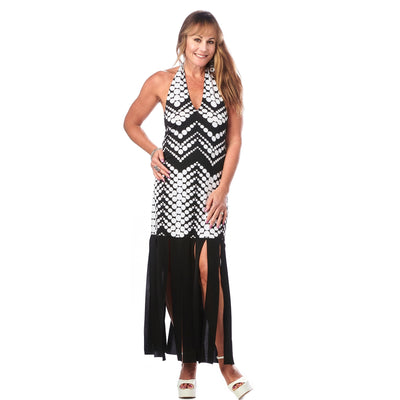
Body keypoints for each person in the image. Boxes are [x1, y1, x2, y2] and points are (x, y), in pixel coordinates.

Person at [123, 10, 252, 399]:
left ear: (217, 45)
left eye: (210, 41)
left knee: (209, 273)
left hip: (211, 194)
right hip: (172, 193)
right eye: (197, 39)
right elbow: (131, 122)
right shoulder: (161, 81)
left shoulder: (227, 82)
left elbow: (234, 140)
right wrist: (152, 150)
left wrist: (224, 189)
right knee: (176, 277)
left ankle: (226, 363)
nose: (203, 48)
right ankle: (188, 360)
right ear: (184, 41)